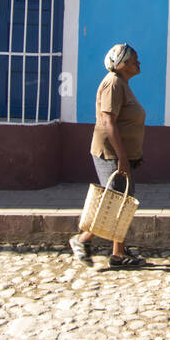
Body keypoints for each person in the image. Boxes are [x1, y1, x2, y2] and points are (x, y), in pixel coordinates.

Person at [70, 43, 149, 268]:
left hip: (122, 154)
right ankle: (82, 240)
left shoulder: (122, 83)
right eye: (135, 60)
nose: (139, 63)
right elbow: (108, 121)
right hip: (111, 154)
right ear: (123, 64)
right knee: (113, 201)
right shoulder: (113, 83)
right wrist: (122, 158)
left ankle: (118, 254)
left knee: (121, 202)